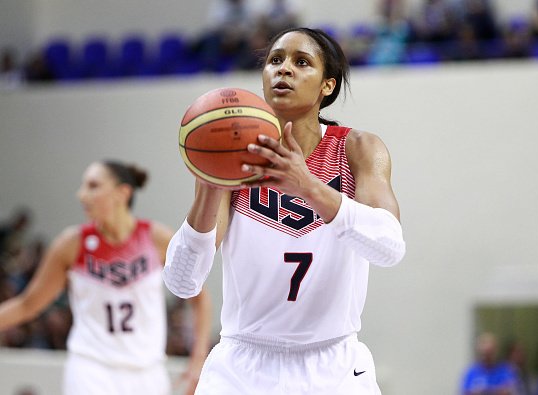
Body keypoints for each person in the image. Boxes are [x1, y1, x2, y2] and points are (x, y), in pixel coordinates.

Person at [163, 27, 406, 394]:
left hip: (334, 366)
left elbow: (389, 247)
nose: (284, 69)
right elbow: (182, 283)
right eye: (275, 60)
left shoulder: (358, 148)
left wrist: (307, 185)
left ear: (328, 85)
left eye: (301, 62)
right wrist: (210, 190)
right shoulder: (234, 160)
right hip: (243, 366)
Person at [0, 160, 212, 395]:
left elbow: (199, 297)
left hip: (147, 370)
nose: (81, 195)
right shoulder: (71, 244)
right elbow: (27, 304)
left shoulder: (156, 238)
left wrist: (198, 358)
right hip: (91, 367)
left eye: (93, 186)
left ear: (122, 193)